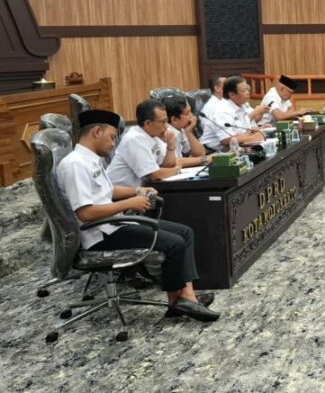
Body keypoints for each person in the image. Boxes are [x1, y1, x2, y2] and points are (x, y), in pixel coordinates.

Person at [56, 110, 220, 321]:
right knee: (174, 244)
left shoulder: (90, 160)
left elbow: (107, 191)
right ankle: (182, 302)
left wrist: (136, 191)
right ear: (96, 132)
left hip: (113, 225)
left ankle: (184, 298)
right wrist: (130, 203)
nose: (113, 144)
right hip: (100, 235)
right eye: (112, 137)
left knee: (184, 232)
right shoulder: (75, 165)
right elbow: (86, 213)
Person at [106, 100, 182, 187]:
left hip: (141, 190)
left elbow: (167, 166)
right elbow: (154, 175)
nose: (166, 126)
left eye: (166, 121)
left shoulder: (154, 136)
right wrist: (177, 169)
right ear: (147, 123)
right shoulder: (134, 139)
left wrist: (171, 146)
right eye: (163, 122)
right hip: (119, 193)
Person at [199, 76, 266, 151]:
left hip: (238, 147)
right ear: (232, 95)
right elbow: (226, 140)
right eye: (243, 91)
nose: (248, 93)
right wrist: (253, 137)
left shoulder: (241, 105)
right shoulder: (222, 110)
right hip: (214, 151)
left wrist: (259, 130)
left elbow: (243, 130)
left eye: (247, 89)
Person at [163, 95, 212, 168]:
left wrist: (189, 132)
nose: (192, 116)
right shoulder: (166, 133)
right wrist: (206, 159)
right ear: (174, 120)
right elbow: (173, 162)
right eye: (188, 113)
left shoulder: (181, 129)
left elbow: (200, 153)